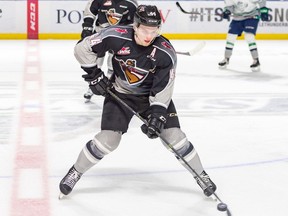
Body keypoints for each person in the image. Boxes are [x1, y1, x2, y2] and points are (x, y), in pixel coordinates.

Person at [59, 5, 217, 199]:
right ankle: (75, 171)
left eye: (154, 31)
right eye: (144, 30)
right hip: (120, 92)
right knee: (109, 140)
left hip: (150, 97)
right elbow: (82, 48)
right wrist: (94, 75)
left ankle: (201, 174)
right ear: (135, 26)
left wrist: (158, 114)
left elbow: (164, 87)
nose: (149, 35)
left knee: (175, 137)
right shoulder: (115, 35)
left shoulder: (165, 53)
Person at [81, 0, 138, 102]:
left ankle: (110, 88)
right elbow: (90, 12)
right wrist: (87, 28)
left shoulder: (130, 2)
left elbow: (135, 21)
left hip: (118, 36)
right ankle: (92, 86)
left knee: (114, 64)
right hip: (100, 34)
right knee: (96, 62)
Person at [218, 0, 269, 71]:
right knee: (230, 37)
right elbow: (230, 6)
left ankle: (256, 60)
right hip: (237, 18)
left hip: (252, 16)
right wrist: (227, 11)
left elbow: (261, 1)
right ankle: (226, 58)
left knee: (249, 36)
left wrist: (264, 11)